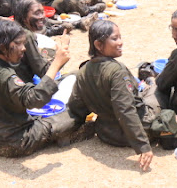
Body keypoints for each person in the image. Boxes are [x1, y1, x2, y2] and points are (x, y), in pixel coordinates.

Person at [0, 20, 81, 157]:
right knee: (68, 116)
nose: (24, 48)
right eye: (18, 44)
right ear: (3, 47)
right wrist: (56, 63)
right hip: (13, 141)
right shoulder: (6, 76)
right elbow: (35, 100)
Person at [68, 20, 161, 171]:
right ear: (98, 45)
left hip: (106, 133)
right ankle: (151, 81)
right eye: (115, 38)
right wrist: (143, 146)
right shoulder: (116, 71)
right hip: (129, 134)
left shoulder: (83, 71)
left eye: (120, 37)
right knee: (157, 90)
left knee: (144, 89)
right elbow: (125, 111)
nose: (121, 42)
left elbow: (76, 104)